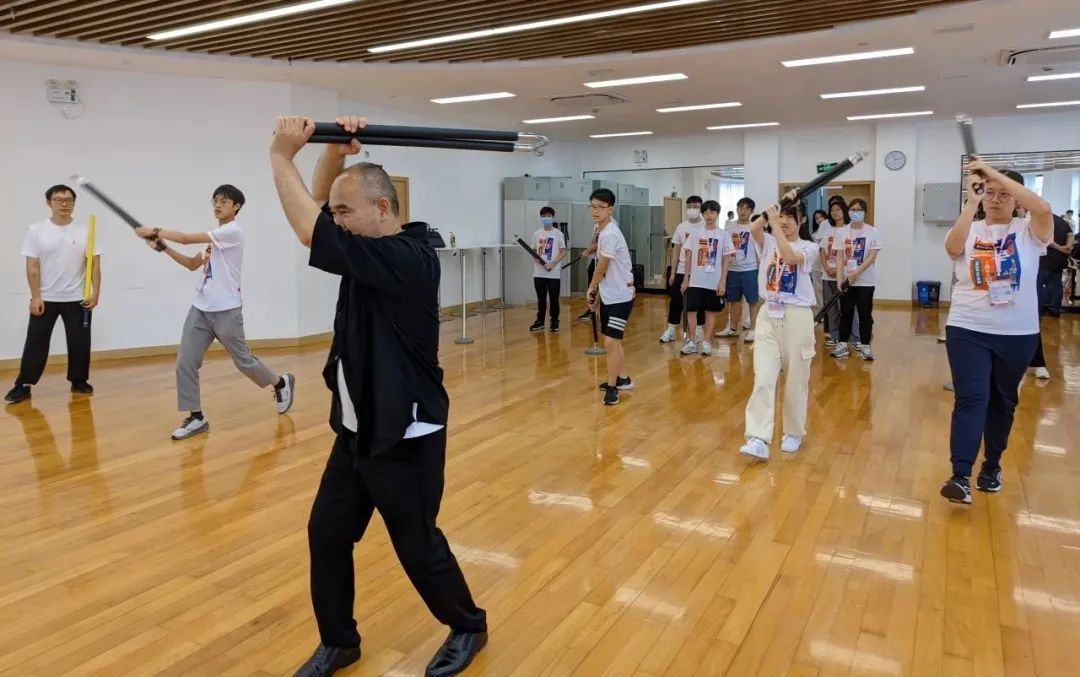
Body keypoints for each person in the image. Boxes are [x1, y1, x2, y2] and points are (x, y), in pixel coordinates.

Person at [270, 116, 487, 677]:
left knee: (416, 544)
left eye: (347, 212)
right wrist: (333, 151)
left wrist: (281, 156)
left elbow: (309, 230)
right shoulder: (367, 249)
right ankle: (338, 642)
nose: (337, 221)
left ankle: (468, 625)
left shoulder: (407, 260)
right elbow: (318, 214)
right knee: (327, 533)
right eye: (338, 213)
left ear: (382, 208)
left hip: (404, 433)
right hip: (356, 429)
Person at [133, 185, 295, 439]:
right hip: (201, 308)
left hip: (227, 310)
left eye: (224, 201)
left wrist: (154, 231)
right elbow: (191, 264)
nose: (218, 205)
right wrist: (163, 248)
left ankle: (280, 382)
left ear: (236, 207)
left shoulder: (232, 232)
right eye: (215, 201)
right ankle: (196, 417)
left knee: (244, 361)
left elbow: (184, 238)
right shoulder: (214, 239)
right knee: (185, 362)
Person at [940, 160, 1053, 505]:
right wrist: (971, 202)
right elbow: (952, 249)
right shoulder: (971, 228)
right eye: (990, 193)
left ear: (1017, 199)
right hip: (967, 327)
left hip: (1017, 333)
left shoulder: (1029, 230)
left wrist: (992, 173)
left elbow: (1042, 207)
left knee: (1003, 401)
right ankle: (960, 475)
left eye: (1004, 194)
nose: (996, 199)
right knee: (971, 398)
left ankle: (991, 466)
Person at [740, 193, 819, 461]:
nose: (783, 221)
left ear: (802, 220)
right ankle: (758, 437)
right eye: (781, 216)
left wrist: (774, 224)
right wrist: (774, 207)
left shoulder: (810, 247)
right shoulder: (768, 240)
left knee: (796, 379)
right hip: (768, 314)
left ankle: (793, 432)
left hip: (797, 316)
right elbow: (753, 227)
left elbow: (790, 256)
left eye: (789, 217)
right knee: (763, 377)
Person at [5, 185, 100, 404]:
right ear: (49, 203)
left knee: (79, 342)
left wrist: (95, 293)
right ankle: (24, 384)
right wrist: (36, 296)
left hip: (78, 298)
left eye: (69, 200)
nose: (64, 204)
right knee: (36, 342)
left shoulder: (86, 231)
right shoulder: (36, 230)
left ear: (74, 203)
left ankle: (79, 380)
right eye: (58, 200)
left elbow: (94, 265)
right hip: (45, 298)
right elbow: (32, 266)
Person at [587, 188, 635, 406]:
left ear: (610, 209)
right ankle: (623, 378)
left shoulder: (610, 233)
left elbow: (602, 266)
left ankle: (613, 387)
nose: (595, 211)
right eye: (593, 206)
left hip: (621, 296)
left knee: (610, 342)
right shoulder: (601, 229)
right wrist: (598, 294)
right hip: (609, 294)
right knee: (613, 342)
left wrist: (591, 288)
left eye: (600, 207)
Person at [679, 200, 734, 356]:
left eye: (712, 212)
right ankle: (691, 341)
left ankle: (706, 342)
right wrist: (685, 278)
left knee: (711, 312)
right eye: (706, 212)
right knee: (691, 311)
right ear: (702, 214)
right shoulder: (696, 233)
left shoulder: (723, 235)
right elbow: (689, 256)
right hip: (695, 281)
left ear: (717, 214)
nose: (709, 216)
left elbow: (726, 260)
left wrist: (723, 281)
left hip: (713, 281)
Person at [831, 198, 881, 361]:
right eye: (852, 209)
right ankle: (843, 345)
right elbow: (840, 257)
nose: (855, 212)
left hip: (865, 281)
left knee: (865, 313)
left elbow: (871, 257)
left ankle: (865, 345)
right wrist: (840, 279)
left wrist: (856, 274)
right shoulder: (842, 232)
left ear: (865, 212)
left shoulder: (873, 231)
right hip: (847, 281)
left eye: (859, 210)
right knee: (846, 312)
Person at [659, 195, 705, 344]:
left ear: (701, 208)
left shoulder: (705, 225)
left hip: (700, 271)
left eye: (696, 206)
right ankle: (671, 329)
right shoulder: (681, 227)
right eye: (689, 206)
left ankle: (697, 331)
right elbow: (676, 250)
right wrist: (673, 272)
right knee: (676, 301)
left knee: (698, 303)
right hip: (681, 269)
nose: (692, 209)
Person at [719, 197, 760, 342]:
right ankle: (732, 329)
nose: (743, 211)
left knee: (753, 301)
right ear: (736, 209)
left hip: (750, 269)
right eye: (740, 208)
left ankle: (754, 329)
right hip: (733, 269)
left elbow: (761, 249)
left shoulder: (755, 227)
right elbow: (724, 249)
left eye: (747, 208)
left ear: (752, 211)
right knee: (733, 300)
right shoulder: (729, 228)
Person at [529, 206, 567, 333]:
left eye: (549, 216)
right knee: (541, 299)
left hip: (553, 273)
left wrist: (552, 264)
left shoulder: (558, 234)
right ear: (541, 218)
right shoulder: (536, 234)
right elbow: (533, 250)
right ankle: (540, 321)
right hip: (539, 272)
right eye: (544, 216)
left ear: (552, 217)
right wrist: (536, 258)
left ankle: (554, 321)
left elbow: (563, 252)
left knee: (554, 298)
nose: (546, 218)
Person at [1036, 213, 1074, 317]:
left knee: (1039, 284)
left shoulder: (1041, 220)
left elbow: (1045, 239)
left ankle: (1038, 309)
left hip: (1045, 259)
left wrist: (1061, 248)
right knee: (1056, 283)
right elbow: (1070, 235)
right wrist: (1067, 247)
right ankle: (1055, 309)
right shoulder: (1063, 221)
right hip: (1060, 259)